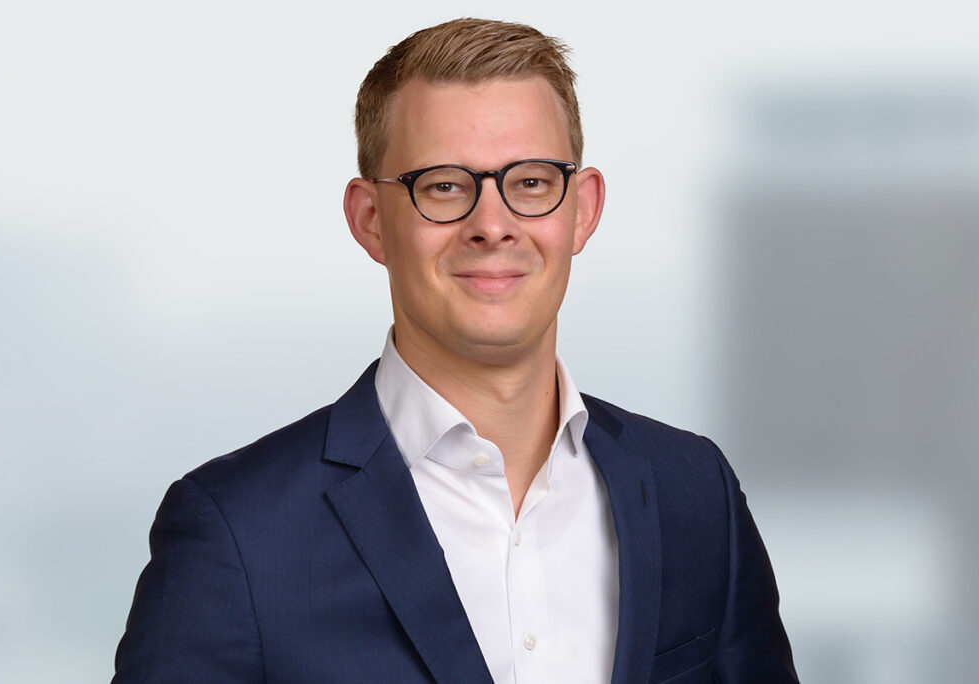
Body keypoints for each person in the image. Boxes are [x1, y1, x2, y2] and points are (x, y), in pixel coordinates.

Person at [113, 18, 798, 684]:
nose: (492, 225)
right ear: (370, 220)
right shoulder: (238, 533)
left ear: (582, 209)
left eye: (531, 182)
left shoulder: (693, 492)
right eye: (444, 186)